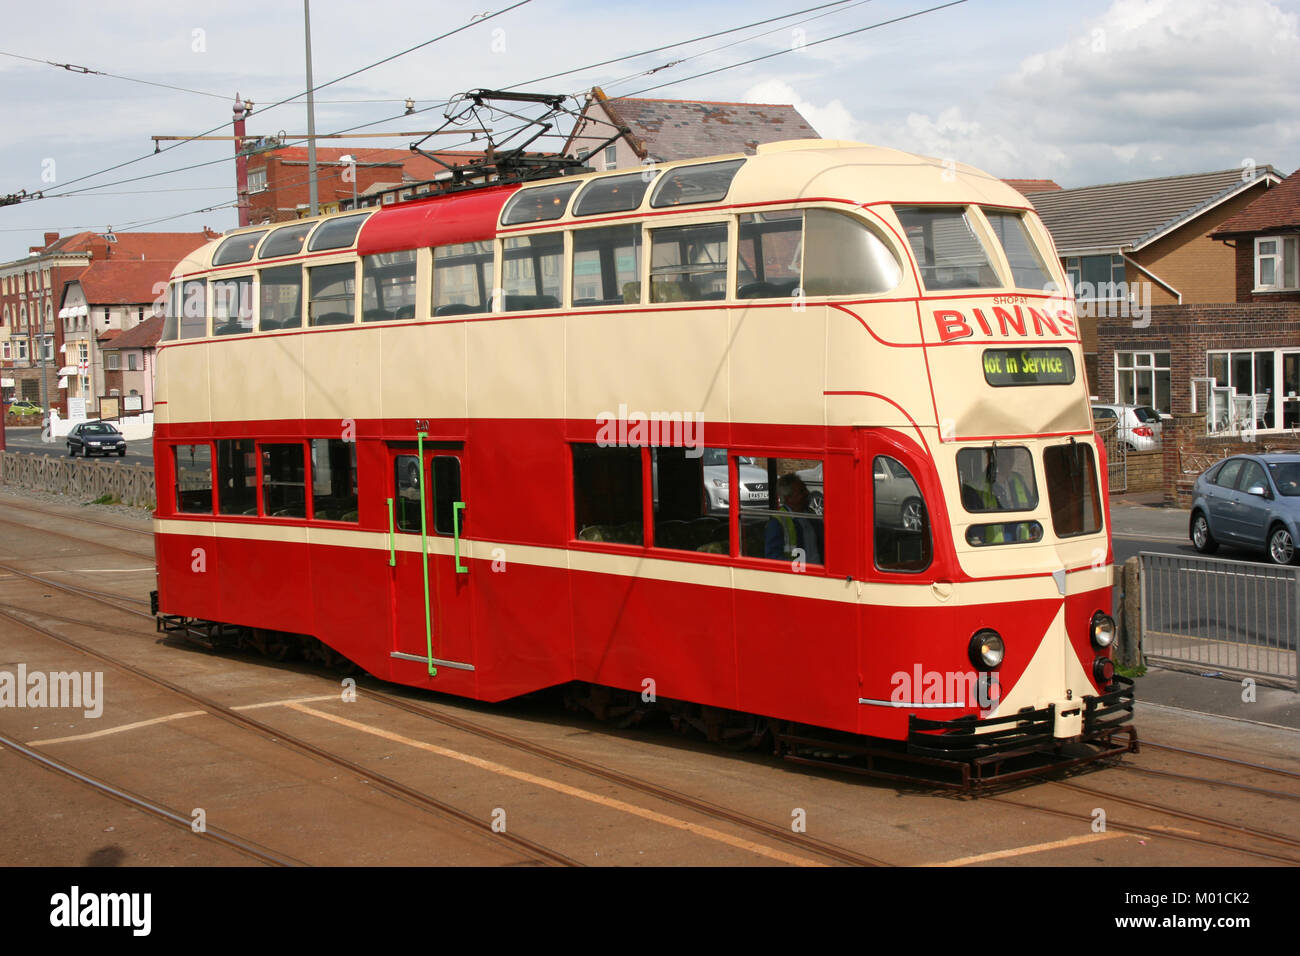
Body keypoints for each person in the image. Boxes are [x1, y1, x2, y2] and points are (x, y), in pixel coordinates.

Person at [765, 474, 823, 564]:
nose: (807, 493)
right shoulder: (777, 523)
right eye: (801, 491)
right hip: (798, 573)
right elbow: (773, 558)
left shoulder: (810, 513)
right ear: (789, 498)